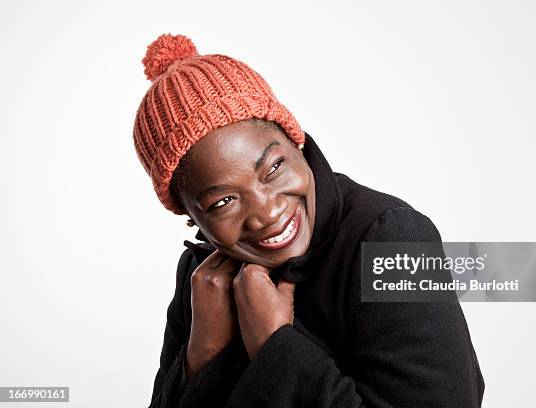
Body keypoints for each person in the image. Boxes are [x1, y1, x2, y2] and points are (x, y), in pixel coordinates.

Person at [132, 33, 485, 408]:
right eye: (224, 201)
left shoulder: (392, 240)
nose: (267, 213)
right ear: (191, 217)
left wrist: (276, 345)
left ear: (293, 139)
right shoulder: (202, 277)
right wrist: (202, 354)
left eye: (274, 167)